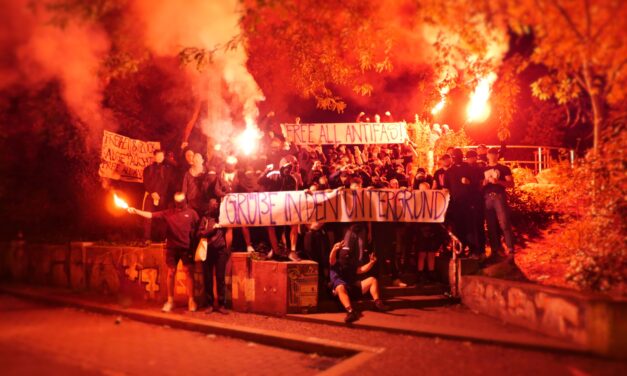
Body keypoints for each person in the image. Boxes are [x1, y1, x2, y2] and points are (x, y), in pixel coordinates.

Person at [127, 192, 199, 312]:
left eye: (181, 202)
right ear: (175, 202)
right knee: (171, 273)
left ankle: (191, 300)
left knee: (188, 273)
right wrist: (136, 211)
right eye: (177, 202)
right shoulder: (168, 212)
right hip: (172, 248)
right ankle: (170, 301)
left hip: (186, 248)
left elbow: (198, 228)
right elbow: (150, 215)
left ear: (185, 201)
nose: (179, 204)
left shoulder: (192, 213)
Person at [329, 239, 390, 324]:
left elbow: (361, 270)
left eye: (348, 256)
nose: (347, 258)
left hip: (351, 289)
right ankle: (350, 311)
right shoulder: (335, 263)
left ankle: (377, 303)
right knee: (340, 287)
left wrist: (371, 263)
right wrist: (334, 249)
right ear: (340, 256)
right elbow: (331, 258)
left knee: (372, 280)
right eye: (345, 256)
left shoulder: (350, 265)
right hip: (340, 291)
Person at [482, 148, 515, 263]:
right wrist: (483, 183)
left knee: (504, 223)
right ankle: (495, 250)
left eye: (494, 154)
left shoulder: (503, 168)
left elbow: (511, 184)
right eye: (490, 154)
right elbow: (478, 185)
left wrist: (499, 182)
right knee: (490, 226)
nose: (492, 156)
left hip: (499, 196)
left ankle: (511, 250)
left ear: (497, 155)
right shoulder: (483, 169)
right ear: (487, 155)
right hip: (486, 198)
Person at [198, 199, 229, 314]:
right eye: (213, 204)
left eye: (217, 204)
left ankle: (221, 305)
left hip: (220, 251)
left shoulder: (224, 219)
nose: (215, 206)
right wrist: (213, 229)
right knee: (208, 279)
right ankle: (209, 304)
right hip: (207, 251)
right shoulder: (205, 219)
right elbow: (200, 233)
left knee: (220, 279)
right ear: (209, 206)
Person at [142, 149, 173, 244]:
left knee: (162, 217)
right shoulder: (147, 169)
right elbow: (145, 182)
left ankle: (162, 238)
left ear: (163, 157)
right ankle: (147, 237)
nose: (159, 157)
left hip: (161, 196)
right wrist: (152, 192)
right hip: (150, 195)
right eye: (158, 155)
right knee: (147, 217)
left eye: (161, 156)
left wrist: (159, 194)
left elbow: (167, 184)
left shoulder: (167, 169)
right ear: (154, 156)